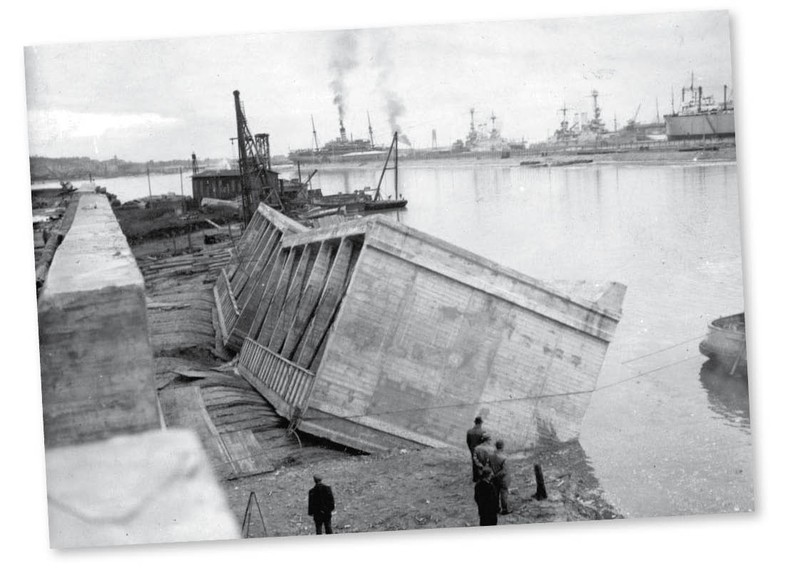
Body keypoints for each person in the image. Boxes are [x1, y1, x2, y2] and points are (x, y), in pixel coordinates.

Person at [489, 439, 511, 515]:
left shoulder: (490, 456)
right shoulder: (504, 457)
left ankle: (496, 508)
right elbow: (504, 471)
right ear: (502, 447)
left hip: (494, 479)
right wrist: (496, 475)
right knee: (504, 494)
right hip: (503, 479)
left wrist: (493, 475)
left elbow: (488, 467)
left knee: (496, 493)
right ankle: (504, 510)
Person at [466, 416, 487, 481]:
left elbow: (468, 442)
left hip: (472, 449)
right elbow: (485, 442)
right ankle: (482, 477)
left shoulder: (469, 431)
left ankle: (475, 478)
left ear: (475, 423)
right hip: (480, 450)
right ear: (480, 423)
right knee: (482, 462)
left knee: (474, 463)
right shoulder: (482, 432)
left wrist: (471, 448)